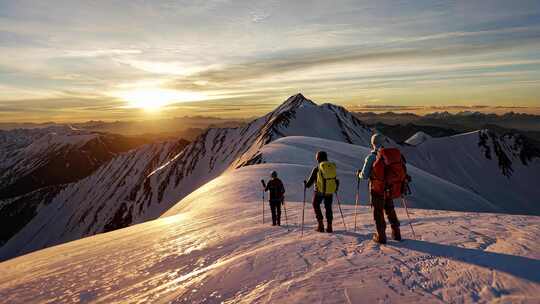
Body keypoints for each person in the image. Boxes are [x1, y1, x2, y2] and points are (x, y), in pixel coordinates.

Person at [358, 133, 402, 244]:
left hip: (377, 189)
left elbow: (364, 176)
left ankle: (381, 236)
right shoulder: (390, 156)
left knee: (378, 212)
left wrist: (359, 174)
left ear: (373, 143)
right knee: (390, 209)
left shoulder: (371, 157)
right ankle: (396, 233)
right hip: (390, 188)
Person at [304, 151, 339, 233]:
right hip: (329, 191)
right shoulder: (331, 167)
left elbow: (309, 183)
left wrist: (305, 184)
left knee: (315, 204)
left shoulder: (317, 168)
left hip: (319, 191)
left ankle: (321, 225)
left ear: (318, 158)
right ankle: (329, 227)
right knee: (328, 208)